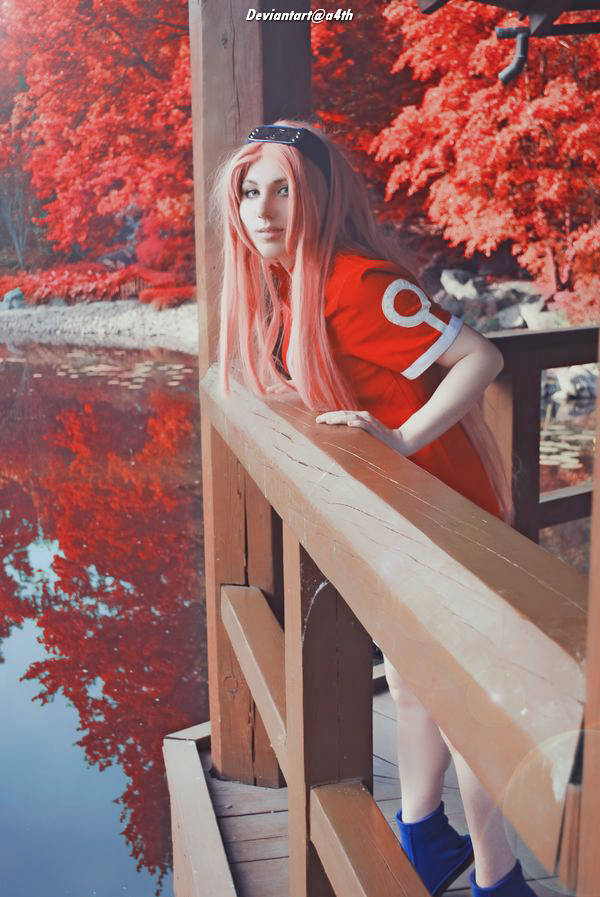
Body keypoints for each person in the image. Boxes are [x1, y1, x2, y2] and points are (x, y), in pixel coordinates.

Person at [216, 120, 533, 897]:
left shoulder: (354, 282)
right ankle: (425, 836)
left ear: (321, 197)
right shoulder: (291, 283)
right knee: (413, 683)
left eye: (285, 190)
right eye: (250, 191)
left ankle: (500, 879)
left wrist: (400, 437)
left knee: (461, 705)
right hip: (396, 518)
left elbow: (480, 357)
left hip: (442, 517)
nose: (263, 210)